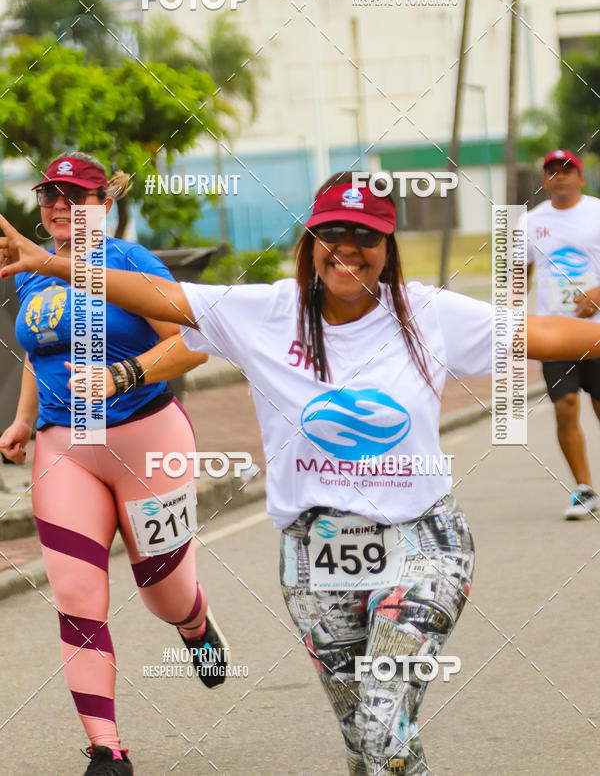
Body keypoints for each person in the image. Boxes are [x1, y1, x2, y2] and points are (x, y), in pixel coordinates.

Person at [2, 171, 600, 775]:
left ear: (389, 247)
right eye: (332, 231)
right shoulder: (267, 312)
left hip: (422, 544)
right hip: (314, 557)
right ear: (309, 242)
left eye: (366, 235)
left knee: (380, 722)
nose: (348, 247)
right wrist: (51, 265)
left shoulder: (426, 313)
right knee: (364, 743)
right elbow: (162, 299)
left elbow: (543, 333)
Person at [0, 152, 229, 776]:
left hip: (147, 439)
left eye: (74, 197)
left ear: (103, 204)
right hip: (64, 447)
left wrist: (120, 374)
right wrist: (24, 418)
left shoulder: (131, 262)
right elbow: (40, 351)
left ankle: (195, 627)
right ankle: (108, 750)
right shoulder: (31, 273)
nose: (57, 206)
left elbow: (191, 344)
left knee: (164, 590)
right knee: (76, 597)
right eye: (49, 194)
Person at [525, 149, 600, 519]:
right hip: (554, 334)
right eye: (552, 172)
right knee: (565, 406)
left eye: (567, 171)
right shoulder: (530, 222)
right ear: (544, 181)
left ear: (581, 178)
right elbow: (516, 273)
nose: (560, 177)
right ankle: (584, 489)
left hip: (596, 331)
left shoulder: (597, 212)